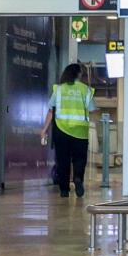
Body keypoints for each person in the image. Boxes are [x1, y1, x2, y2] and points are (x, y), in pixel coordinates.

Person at [40, 63, 95, 198]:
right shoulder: (85, 90)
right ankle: (77, 178)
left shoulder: (59, 90)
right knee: (79, 159)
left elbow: (51, 111)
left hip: (61, 129)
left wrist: (44, 129)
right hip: (80, 131)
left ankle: (64, 189)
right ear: (78, 75)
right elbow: (92, 110)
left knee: (62, 160)